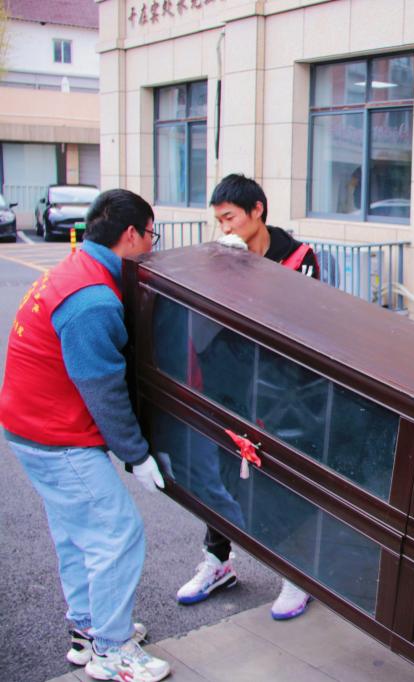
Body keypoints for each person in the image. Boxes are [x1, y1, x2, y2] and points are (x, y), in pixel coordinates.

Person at [0, 189, 171, 682]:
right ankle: (112, 651)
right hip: (56, 437)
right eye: (151, 235)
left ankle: (88, 629)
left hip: (28, 427)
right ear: (131, 234)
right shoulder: (92, 298)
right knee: (117, 532)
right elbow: (104, 391)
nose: (152, 245)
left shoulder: (76, 269)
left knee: (78, 533)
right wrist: (136, 454)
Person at [175, 173, 320, 620]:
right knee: (219, 472)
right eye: (219, 221)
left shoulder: (299, 257)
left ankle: (297, 573)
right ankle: (217, 560)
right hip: (226, 383)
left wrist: (249, 274)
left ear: (257, 211)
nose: (225, 228)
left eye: (230, 218)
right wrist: (221, 268)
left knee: (280, 479)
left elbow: (296, 323)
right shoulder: (221, 256)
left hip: (282, 392)